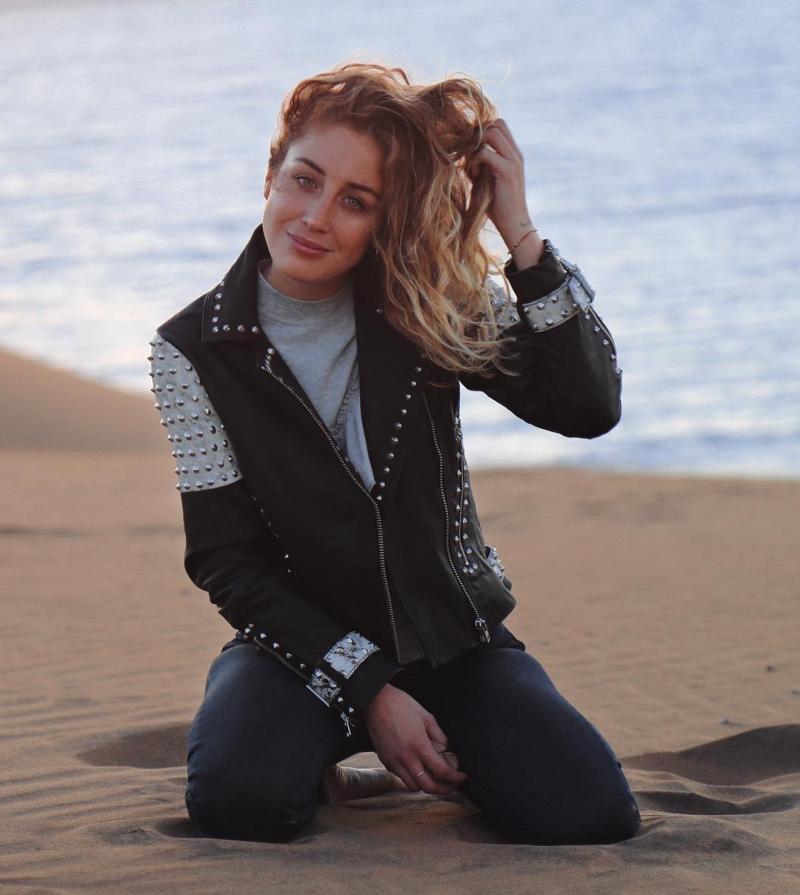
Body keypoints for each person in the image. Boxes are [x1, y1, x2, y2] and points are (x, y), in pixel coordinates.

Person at [148, 62, 640, 845]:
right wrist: (371, 689)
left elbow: (586, 407)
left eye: (356, 201)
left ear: (386, 217)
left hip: (451, 640)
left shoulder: (427, 299)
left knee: (589, 814)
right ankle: (316, 754)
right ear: (271, 174)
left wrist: (521, 235)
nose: (316, 217)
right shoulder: (191, 350)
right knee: (239, 800)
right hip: (297, 652)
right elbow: (224, 559)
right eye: (305, 180)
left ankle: (466, 754)